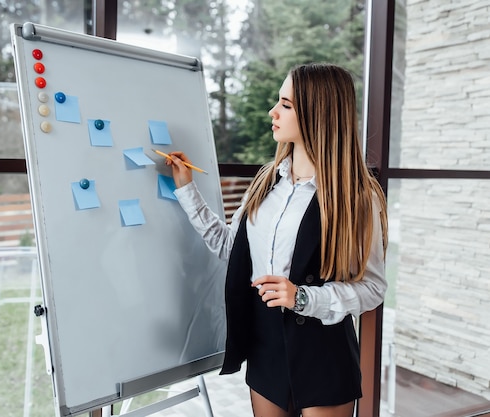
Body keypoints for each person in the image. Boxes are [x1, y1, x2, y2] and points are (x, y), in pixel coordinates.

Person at [164, 63, 388, 417]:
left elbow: (373, 288)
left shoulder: (356, 196)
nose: (273, 111)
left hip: (323, 351)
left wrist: (302, 298)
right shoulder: (266, 183)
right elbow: (229, 247)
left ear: (318, 113)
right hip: (265, 344)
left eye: (286, 104)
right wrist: (186, 188)